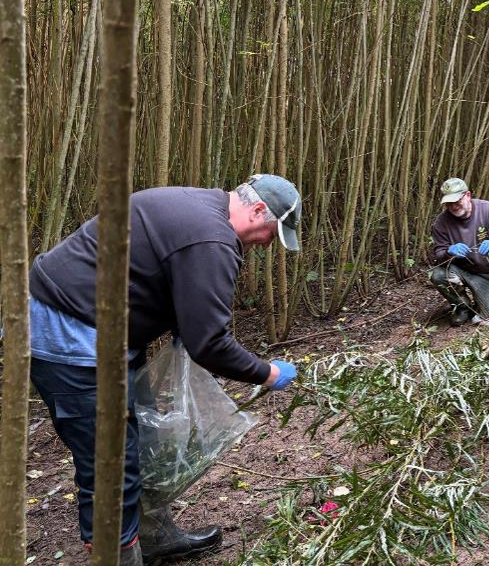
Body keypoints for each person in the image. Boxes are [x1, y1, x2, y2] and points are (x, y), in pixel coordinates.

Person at [27, 174, 303, 566]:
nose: (267, 243)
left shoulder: (196, 207)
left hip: (106, 332)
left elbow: (163, 276)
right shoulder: (210, 239)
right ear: (258, 209)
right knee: (111, 464)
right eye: (272, 232)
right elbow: (209, 343)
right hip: (68, 338)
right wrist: (267, 374)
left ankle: (153, 537)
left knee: (144, 444)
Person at [428, 177, 489, 325]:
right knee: (438, 275)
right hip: (460, 269)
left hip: (487, 273)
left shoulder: (487, 209)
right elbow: (439, 255)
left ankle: (482, 298)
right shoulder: (441, 222)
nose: (453, 206)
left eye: (457, 201)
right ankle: (462, 306)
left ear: (468, 195)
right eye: (449, 203)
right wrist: (449, 251)